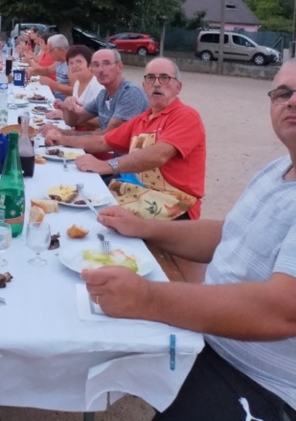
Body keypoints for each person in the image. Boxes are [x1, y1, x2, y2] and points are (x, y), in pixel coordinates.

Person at [84, 60, 296, 421]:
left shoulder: (184, 117)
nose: (291, 102)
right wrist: (143, 228)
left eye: (164, 78)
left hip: (265, 385)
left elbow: (281, 310)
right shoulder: (276, 169)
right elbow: (229, 235)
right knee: (90, 342)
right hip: (210, 339)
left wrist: (147, 298)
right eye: (283, 93)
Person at [48, 57, 205, 219]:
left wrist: (108, 165)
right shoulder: (143, 118)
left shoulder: (186, 116)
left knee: (98, 215)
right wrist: (61, 138)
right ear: (144, 86)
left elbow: (159, 154)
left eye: (165, 78)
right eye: (151, 78)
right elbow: (103, 141)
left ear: (178, 87)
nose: (157, 83)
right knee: (78, 196)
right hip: (141, 192)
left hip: (177, 204)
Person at [40, 47, 147, 138]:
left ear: (119, 67)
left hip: (122, 157)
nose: (101, 69)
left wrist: (63, 133)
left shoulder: (130, 93)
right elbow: (73, 121)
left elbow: (108, 136)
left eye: (106, 63)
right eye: (96, 65)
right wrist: (67, 105)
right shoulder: (103, 95)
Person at [29, 34, 72, 100]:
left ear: (58, 49)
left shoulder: (72, 64)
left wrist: (51, 83)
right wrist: (34, 70)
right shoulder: (59, 61)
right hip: (55, 97)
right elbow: (48, 70)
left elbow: (74, 91)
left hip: (63, 101)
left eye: (50, 50)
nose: (48, 52)